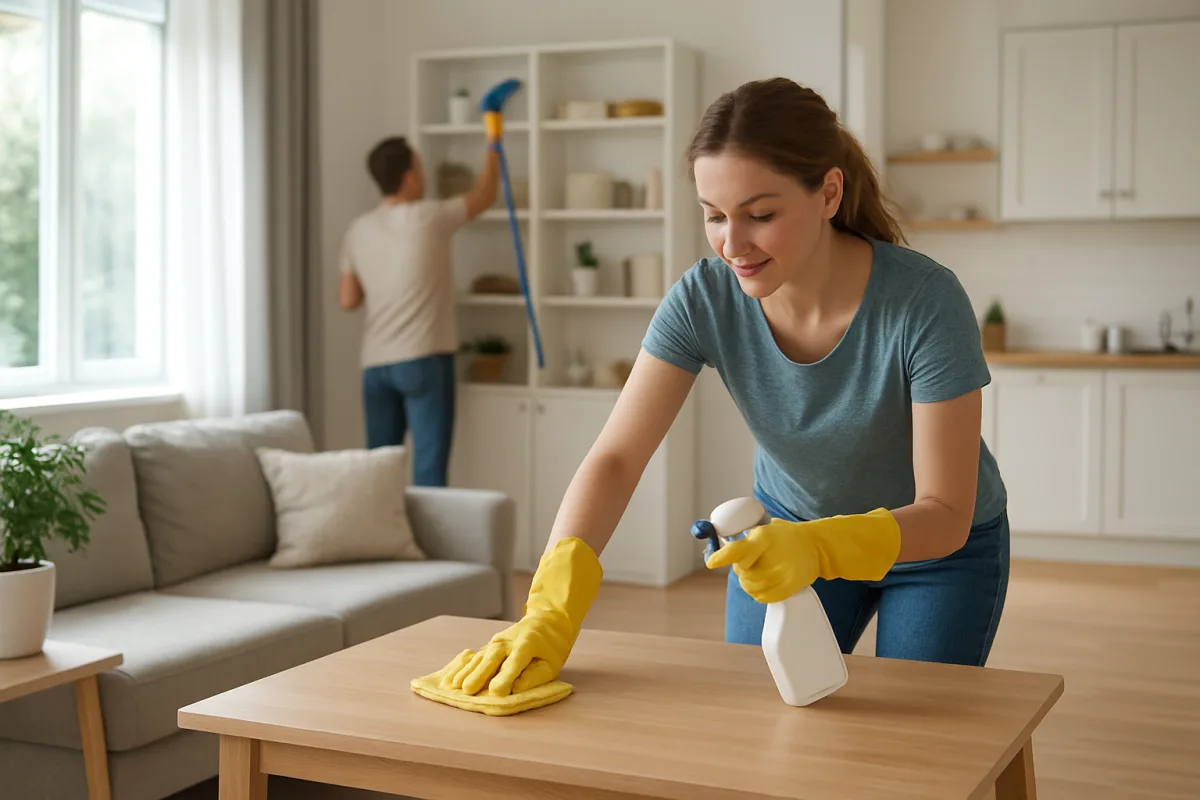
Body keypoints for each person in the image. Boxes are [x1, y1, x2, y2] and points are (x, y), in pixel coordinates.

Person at [424, 77, 1010, 705]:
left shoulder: (923, 301)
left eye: (760, 215)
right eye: (713, 216)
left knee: (916, 742)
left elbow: (945, 512)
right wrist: (550, 608)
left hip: (932, 558)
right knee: (761, 729)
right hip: (786, 538)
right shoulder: (704, 298)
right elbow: (617, 458)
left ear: (829, 193)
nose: (733, 244)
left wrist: (816, 546)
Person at [338, 133, 500, 486]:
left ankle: (378, 542)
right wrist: (492, 139)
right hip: (424, 358)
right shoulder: (429, 216)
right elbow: (485, 194)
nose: (424, 177)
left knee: (379, 471)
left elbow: (348, 300)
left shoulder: (358, 229)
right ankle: (429, 543)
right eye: (420, 169)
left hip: (376, 365)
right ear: (409, 176)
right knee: (428, 473)